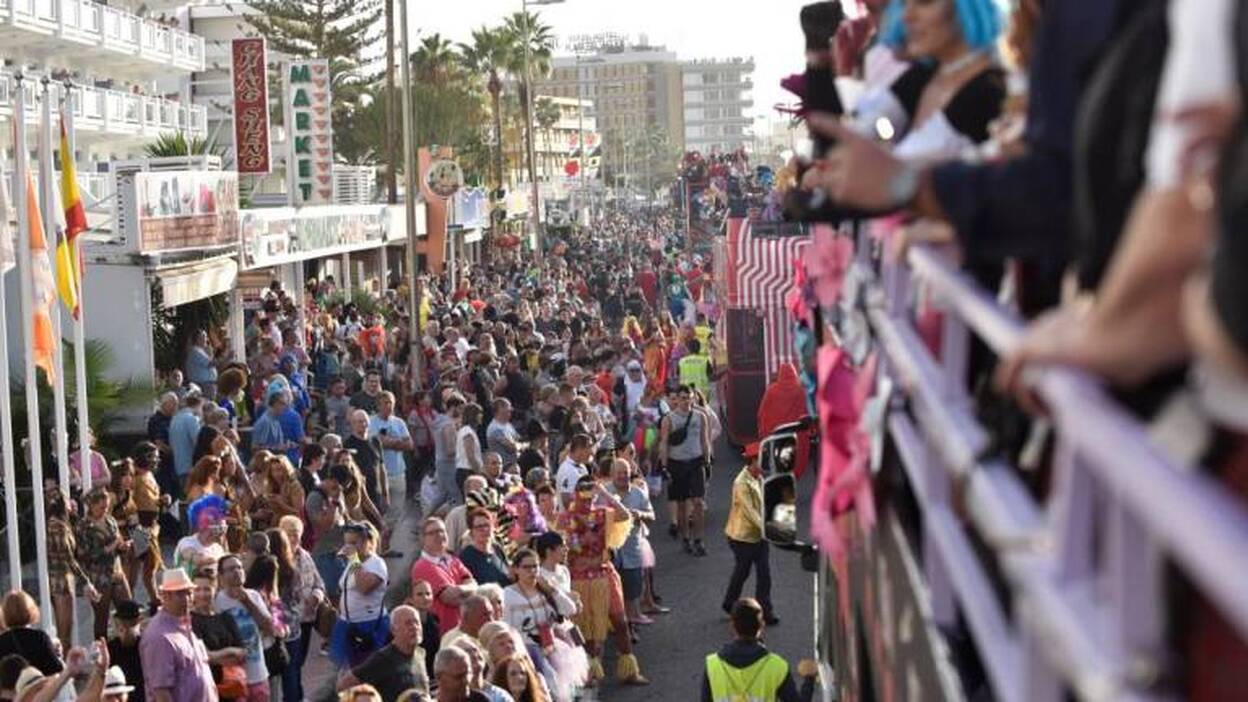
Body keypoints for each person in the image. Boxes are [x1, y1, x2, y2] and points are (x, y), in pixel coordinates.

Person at [555, 475, 648, 686]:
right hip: (580, 580)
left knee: (621, 623)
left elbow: (625, 516)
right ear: (576, 494)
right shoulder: (565, 518)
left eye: (591, 498)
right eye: (584, 498)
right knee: (588, 631)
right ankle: (590, 674)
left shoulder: (602, 513)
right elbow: (559, 550)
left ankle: (629, 671)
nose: (587, 503)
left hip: (605, 574)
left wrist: (606, 494)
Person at [700, 598, 812, 702]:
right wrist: (809, 678)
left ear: (732, 625)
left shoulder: (712, 665)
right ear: (762, 625)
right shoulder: (777, 667)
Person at [140, 569, 219, 702]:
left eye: (189, 592)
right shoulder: (159, 636)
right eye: (180, 594)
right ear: (165, 596)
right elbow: (161, 693)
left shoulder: (184, 624)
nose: (187, 599)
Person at [721, 443, 777, 625]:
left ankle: (766, 612)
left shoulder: (758, 477)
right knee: (742, 572)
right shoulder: (741, 483)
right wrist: (767, 529)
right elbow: (749, 511)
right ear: (753, 461)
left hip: (759, 536)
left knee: (764, 574)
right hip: (741, 537)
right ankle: (730, 603)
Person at [659, 384, 713, 556]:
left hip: (696, 463)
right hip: (677, 465)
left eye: (689, 398)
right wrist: (664, 466)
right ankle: (686, 538)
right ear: (677, 400)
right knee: (682, 505)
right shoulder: (669, 419)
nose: (686, 401)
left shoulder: (701, 416)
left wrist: (708, 460)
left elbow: (705, 440)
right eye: (682, 398)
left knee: (698, 502)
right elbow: (664, 443)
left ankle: (699, 539)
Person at [214, 554, 275, 701]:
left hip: (258, 675)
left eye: (239, 567)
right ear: (221, 576)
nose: (237, 571)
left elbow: (268, 627)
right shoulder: (216, 601)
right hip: (233, 680)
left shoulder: (253, 596)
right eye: (231, 569)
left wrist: (247, 602)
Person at [337, 605, 430, 701]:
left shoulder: (420, 654)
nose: (414, 627)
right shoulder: (384, 659)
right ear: (394, 630)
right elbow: (343, 685)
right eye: (408, 623)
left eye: (417, 622)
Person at [331, 522, 390, 669]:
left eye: (353, 542)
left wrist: (354, 560)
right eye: (346, 542)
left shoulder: (376, 563)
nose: (349, 546)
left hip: (368, 625)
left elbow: (364, 587)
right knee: (346, 671)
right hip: (347, 624)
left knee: (367, 669)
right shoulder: (354, 563)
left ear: (367, 542)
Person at [78, 487, 133, 640]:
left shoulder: (110, 520)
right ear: (92, 505)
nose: (105, 510)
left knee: (128, 610)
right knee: (101, 618)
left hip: (117, 573)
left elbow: (118, 540)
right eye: (102, 507)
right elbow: (85, 555)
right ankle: (102, 649)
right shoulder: (84, 526)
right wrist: (110, 547)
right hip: (99, 577)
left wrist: (122, 546)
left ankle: (128, 643)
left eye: (107, 507)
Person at [605, 458, 655, 625]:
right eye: (618, 472)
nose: (622, 476)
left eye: (625, 472)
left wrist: (640, 514)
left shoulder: (638, 493)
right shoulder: (604, 493)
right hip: (611, 552)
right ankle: (624, 624)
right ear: (612, 474)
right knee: (613, 592)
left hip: (632, 550)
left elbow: (652, 516)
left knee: (633, 589)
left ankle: (631, 619)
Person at [189, 568, 249, 701]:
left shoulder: (225, 617)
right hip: (206, 688)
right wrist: (231, 650)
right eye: (197, 589)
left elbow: (243, 653)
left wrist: (215, 658)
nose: (202, 594)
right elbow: (204, 656)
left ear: (215, 589)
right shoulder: (190, 620)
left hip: (232, 687)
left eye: (207, 589)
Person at [368, 394, 414, 508]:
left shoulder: (399, 422)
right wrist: (398, 442)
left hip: (398, 472)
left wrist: (389, 442)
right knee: (381, 508)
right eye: (385, 403)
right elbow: (377, 443)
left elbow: (409, 445)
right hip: (380, 474)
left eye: (391, 403)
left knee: (398, 509)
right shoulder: (371, 422)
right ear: (378, 406)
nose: (389, 406)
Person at [0, 592, 62, 676]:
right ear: (30, 610)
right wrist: (57, 653)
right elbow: (55, 668)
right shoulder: (39, 637)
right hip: (40, 687)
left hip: (12, 688)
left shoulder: (2, 641)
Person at [459, 509, 512, 588]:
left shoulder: (497, 549)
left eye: (487, 525)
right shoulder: (466, 557)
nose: (485, 530)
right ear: (471, 532)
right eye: (479, 527)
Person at [107, 600, 146, 702]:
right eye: (123, 623)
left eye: (131, 623)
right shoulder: (110, 648)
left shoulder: (146, 646)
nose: (125, 627)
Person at [554, 434, 593, 507]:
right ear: (579, 449)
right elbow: (566, 501)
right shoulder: (566, 470)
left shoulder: (582, 467)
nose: (591, 452)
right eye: (589, 447)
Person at [456, 404, 486, 496]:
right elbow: (471, 456)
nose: (482, 416)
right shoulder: (467, 431)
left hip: (468, 471)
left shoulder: (470, 431)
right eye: (479, 413)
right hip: (467, 471)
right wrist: (479, 473)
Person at [486, 399, 522, 468]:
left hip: (515, 464)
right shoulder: (494, 428)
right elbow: (511, 447)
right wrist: (521, 446)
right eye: (507, 409)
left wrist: (520, 445)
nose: (510, 412)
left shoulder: (508, 425)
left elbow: (519, 439)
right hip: (504, 466)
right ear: (500, 409)